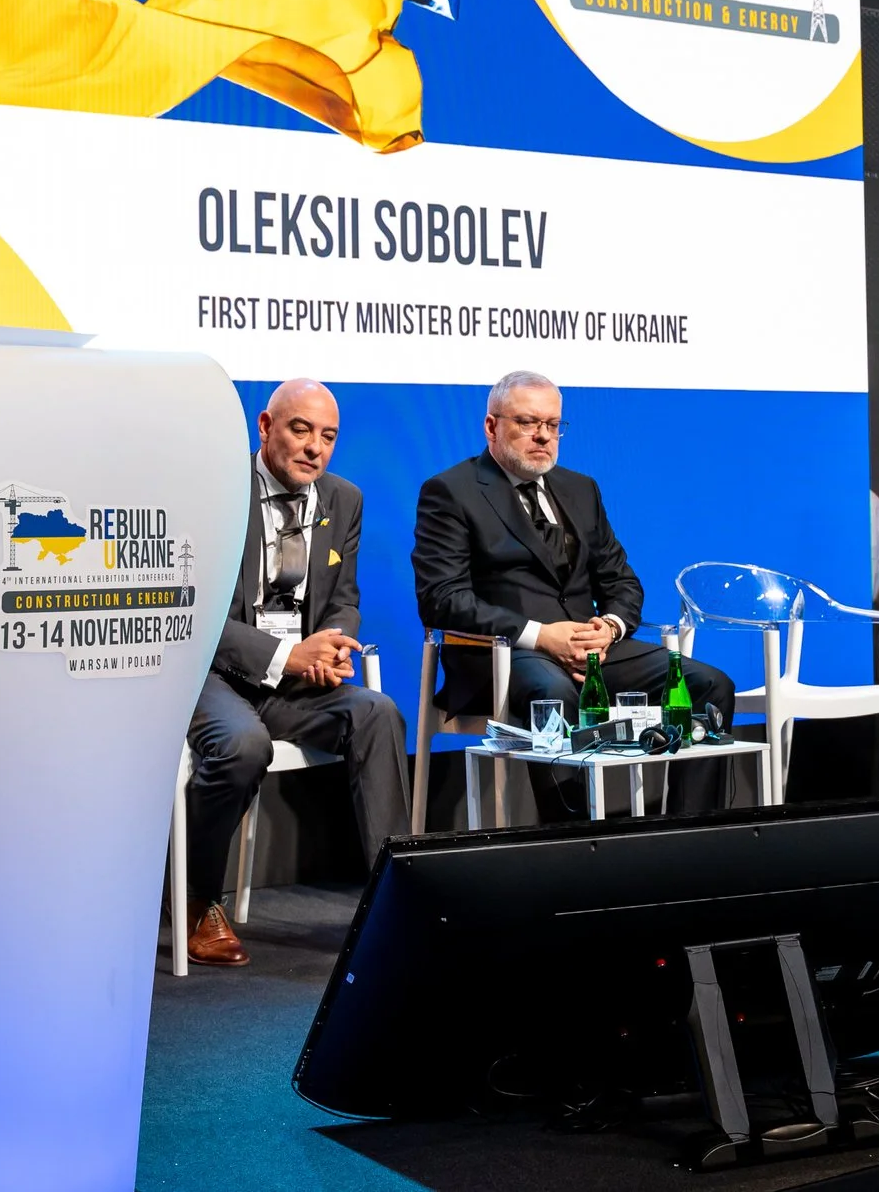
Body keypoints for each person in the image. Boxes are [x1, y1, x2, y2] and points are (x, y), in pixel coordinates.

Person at [412, 369, 736, 813]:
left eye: (552, 425)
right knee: (555, 695)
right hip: (504, 654)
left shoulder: (580, 489)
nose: (543, 437)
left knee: (710, 686)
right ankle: (574, 846)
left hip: (593, 651)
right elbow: (441, 598)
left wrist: (610, 627)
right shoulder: (451, 491)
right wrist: (541, 635)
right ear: (492, 427)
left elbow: (622, 580)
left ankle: (688, 839)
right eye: (527, 423)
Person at [183, 378, 405, 968]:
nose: (315, 448)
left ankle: (396, 902)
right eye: (300, 430)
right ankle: (198, 899)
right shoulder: (214, 492)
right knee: (241, 744)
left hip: (296, 682)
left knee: (377, 712)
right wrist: (284, 657)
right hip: (216, 673)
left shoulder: (343, 499)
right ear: (265, 427)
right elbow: (192, 610)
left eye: (328, 437)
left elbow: (344, 597)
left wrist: (333, 642)